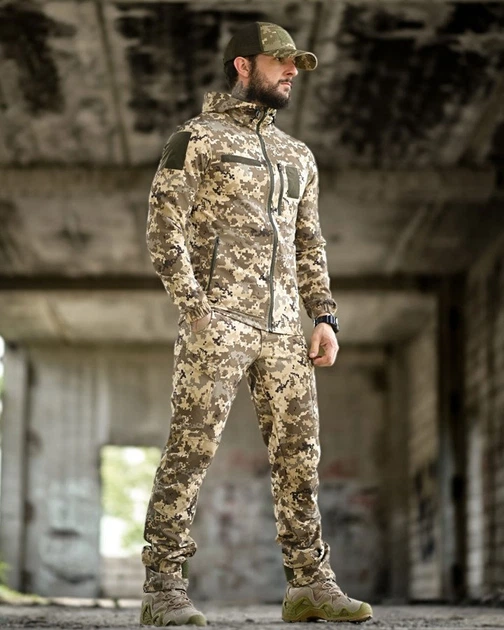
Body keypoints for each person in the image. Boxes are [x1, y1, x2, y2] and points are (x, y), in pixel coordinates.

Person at [140, 21, 373, 627]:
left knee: (300, 457)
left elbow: (309, 242)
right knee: (190, 452)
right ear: (243, 65)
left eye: (296, 63)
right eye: (280, 61)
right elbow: (164, 230)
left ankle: (309, 586)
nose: (292, 71)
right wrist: (197, 311)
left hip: (284, 329)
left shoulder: (298, 156)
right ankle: (163, 589)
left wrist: (324, 317)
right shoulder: (195, 139)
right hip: (218, 322)